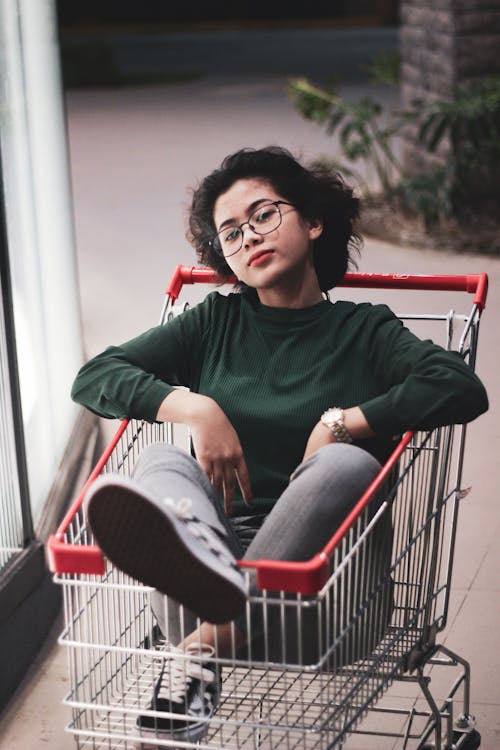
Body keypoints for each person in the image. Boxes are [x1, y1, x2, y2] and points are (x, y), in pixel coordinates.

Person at [71, 146, 488, 744]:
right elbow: (95, 376)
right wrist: (194, 405)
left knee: (342, 462)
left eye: (265, 215)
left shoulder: (365, 330)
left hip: (331, 603)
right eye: (231, 234)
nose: (249, 238)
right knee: (161, 458)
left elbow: (458, 386)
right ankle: (214, 593)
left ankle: (202, 652)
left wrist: (345, 423)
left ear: (313, 221)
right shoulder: (215, 323)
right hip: (202, 580)